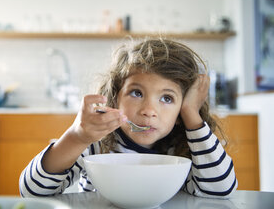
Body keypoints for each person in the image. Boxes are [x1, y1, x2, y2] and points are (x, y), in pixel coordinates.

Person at [19, 38, 237, 198]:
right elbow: (31, 191)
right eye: (137, 93)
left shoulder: (186, 151)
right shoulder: (98, 145)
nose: (149, 110)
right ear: (115, 99)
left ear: (180, 113)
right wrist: (77, 137)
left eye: (167, 98)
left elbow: (221, 190)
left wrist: (192, 113)